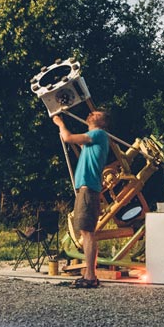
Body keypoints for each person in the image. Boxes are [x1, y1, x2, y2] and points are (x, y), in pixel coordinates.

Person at [54, 106, 113, 287]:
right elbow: (75, 141)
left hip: (88, 189)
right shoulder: (92, 139)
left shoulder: (99, 134)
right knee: (86, 232)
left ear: (102, 122)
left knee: (87, 233)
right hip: (86, 189)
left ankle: (90, 276)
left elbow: (68, 137)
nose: (91, 114)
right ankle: (90, 274)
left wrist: (59, 122)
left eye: (96, 114)